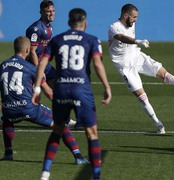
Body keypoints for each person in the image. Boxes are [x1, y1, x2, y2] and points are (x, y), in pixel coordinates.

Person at [32, 8, 112, 180]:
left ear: (69, 23)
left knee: (57, 131)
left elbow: (42, 62)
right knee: (91, 134)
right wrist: (107, 87)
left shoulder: (57, 40)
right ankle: (96, 175)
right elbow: (97, 64)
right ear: (85, 22)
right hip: (81, 89)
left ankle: (45, 173)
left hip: (60, 89)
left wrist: (37, 88)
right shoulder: (92, 40)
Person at [108, 4, 174, 134]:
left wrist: (137, 44)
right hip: (125, 66)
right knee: (142, 96)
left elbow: (129, 36)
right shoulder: (113, 27)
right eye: (134, 17)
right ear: (126, 15)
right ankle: (158, 124)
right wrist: (138, 41)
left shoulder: (130, 23)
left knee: (167, 76)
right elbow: (121, 37)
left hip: (137, 56)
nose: (136, 20)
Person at [0, 36, 89, 165]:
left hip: (9, 110)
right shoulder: (31, 68)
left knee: (6, 119)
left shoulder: (2, 66)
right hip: (29, 108)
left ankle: (8, 153)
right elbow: (49, 92)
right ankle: (78, 156)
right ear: (27, 50)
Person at [25, 0, 56, 84]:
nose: (52, 14)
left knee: (59, 83)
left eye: (53, 11)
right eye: (48, 11)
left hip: (43, 63)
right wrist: (39, 70)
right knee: (36, 92)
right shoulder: (36, 29)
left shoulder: (50, 27)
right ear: (41, 12)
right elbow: (32, 52)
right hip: (32, 64)